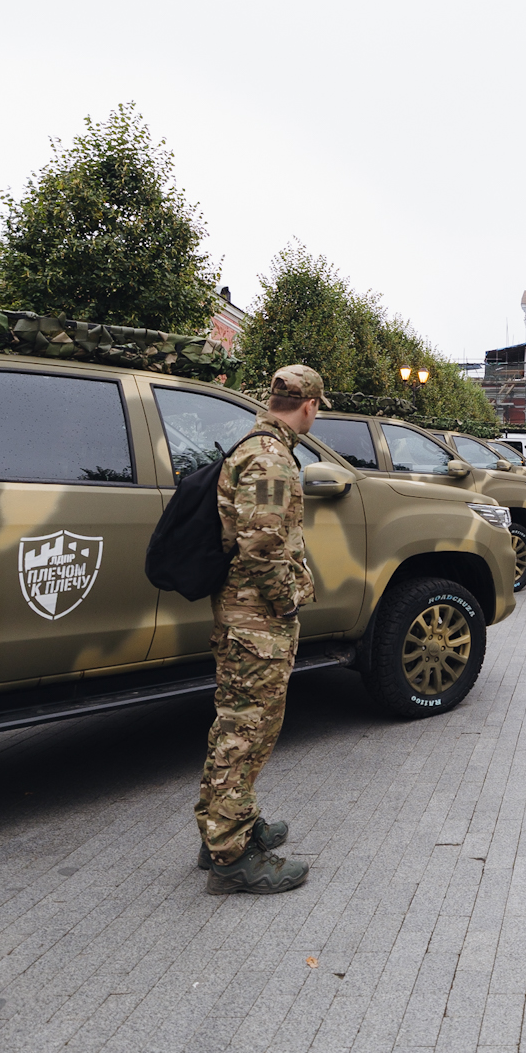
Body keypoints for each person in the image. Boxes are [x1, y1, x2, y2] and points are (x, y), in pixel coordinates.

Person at [194, 364, 328, 895]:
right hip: (257, 620)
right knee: (247, 731)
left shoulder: (257, 446)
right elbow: (262, 545)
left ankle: (223, 829)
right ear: (309, 405)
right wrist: (287, 602)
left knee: (235, 726)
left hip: (244, 616)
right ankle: (231, 859)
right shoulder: (270, 458)